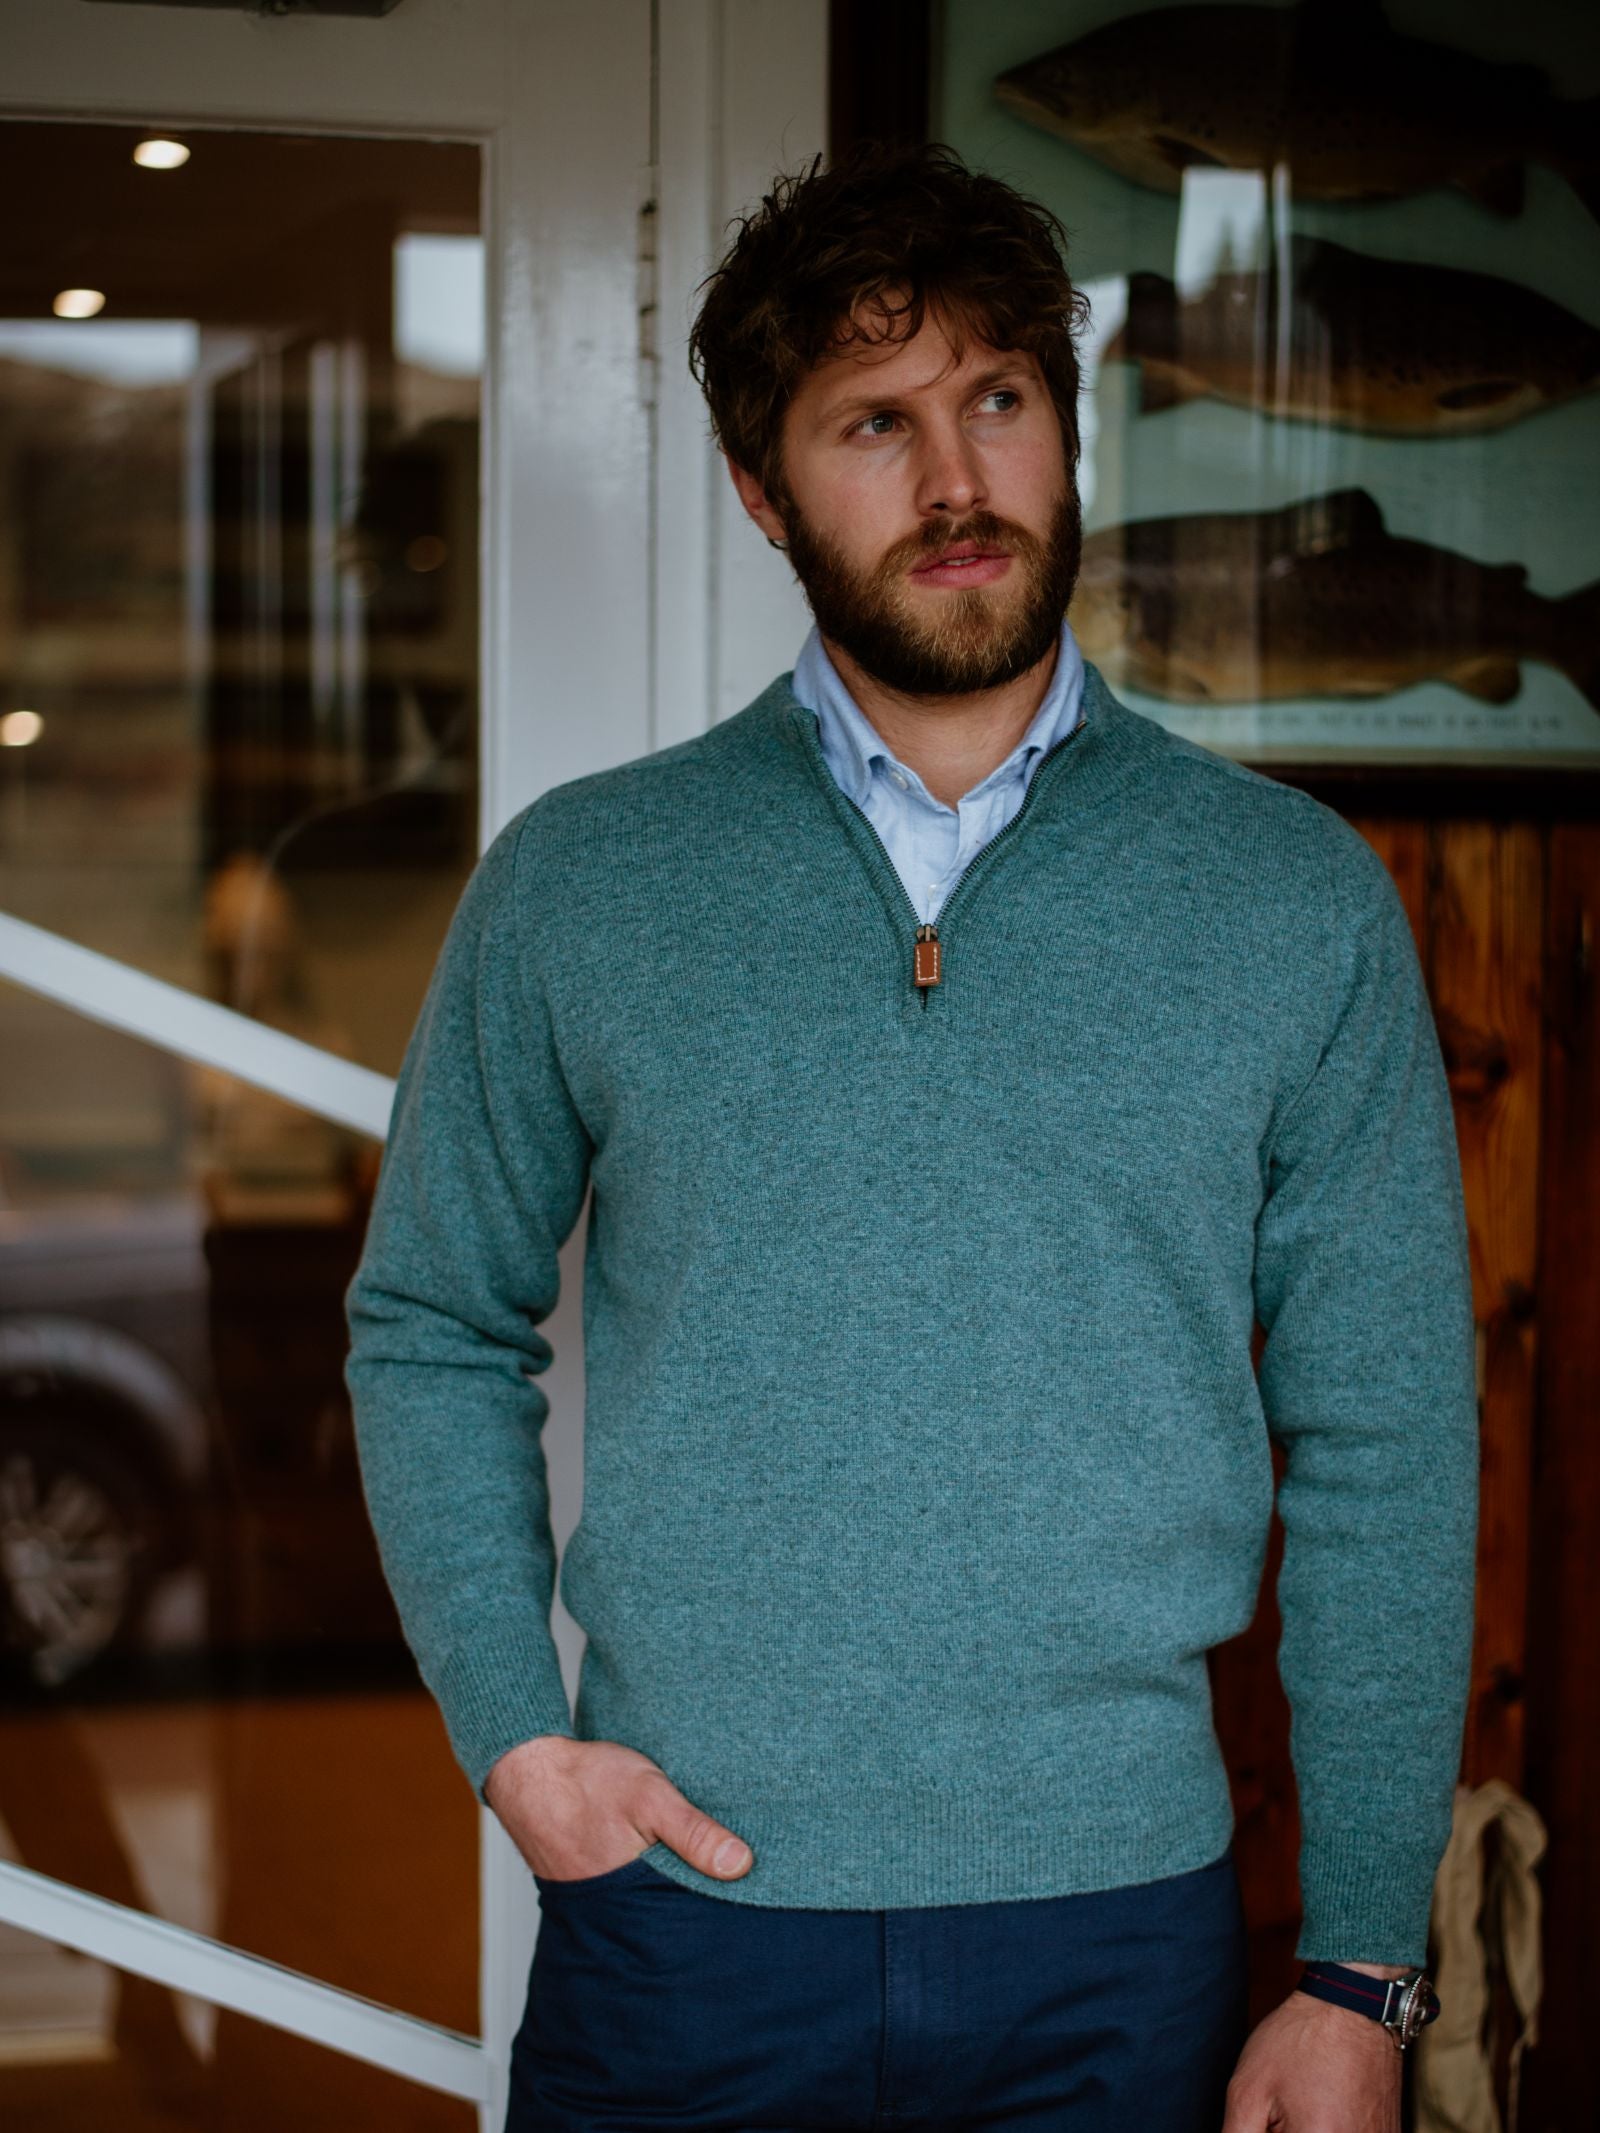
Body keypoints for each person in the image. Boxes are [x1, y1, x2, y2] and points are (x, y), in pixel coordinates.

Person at [342, 142, 1478, 2132]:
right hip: (686, 1923)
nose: (957, 481)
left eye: (998, 398)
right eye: (876, 421)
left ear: (1065, 425)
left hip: (1117, 1939)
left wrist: (1360, 1968)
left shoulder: (1287, 896)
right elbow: (432, 1317)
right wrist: (516, 1738)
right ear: (761, 489)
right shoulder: (586, 882)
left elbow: (1386, 1430)